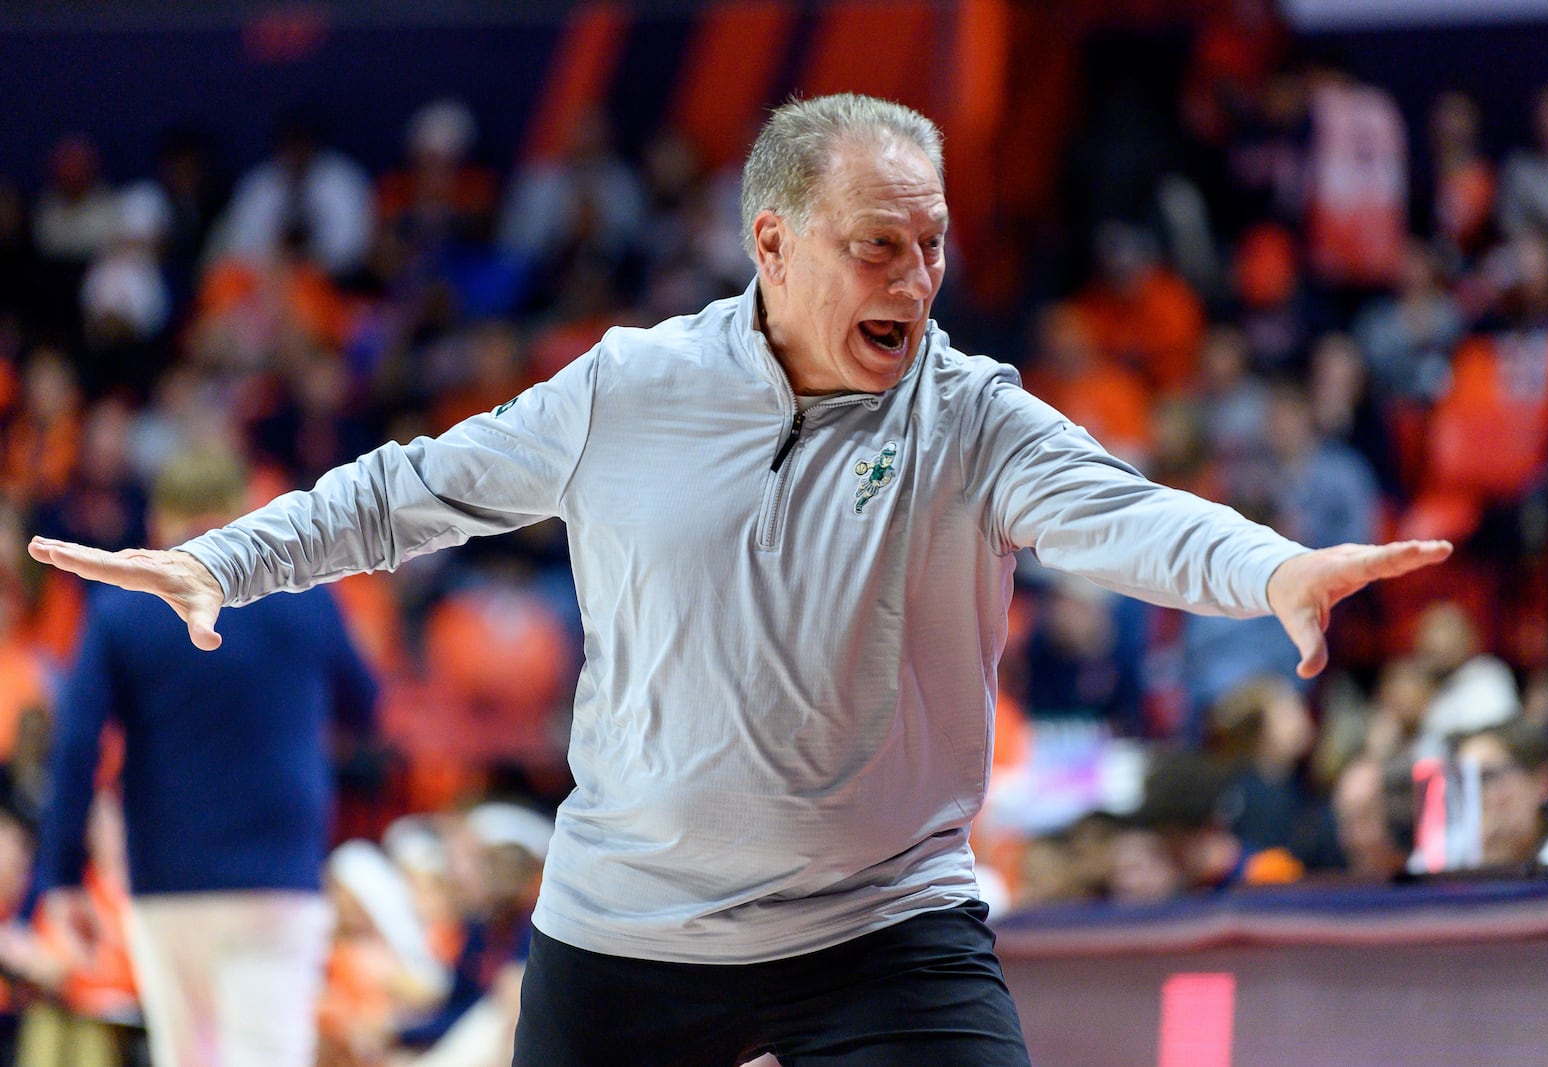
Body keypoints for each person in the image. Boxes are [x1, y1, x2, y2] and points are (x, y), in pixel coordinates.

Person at [29, 94, 1452, 1067]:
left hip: (884, 919)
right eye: (878, 243)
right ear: (773, 245)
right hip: (629, 926)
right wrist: (227, 554)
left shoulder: (972, 413)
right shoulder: (627, 386)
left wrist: (1275, 566)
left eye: (933, 240)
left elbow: (1123, 516)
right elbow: (409, 489)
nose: (919, 272)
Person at [33, 448, 377, 1067]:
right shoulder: (306, 599)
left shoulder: (121, 609)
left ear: (161, 521)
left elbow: (77, 744)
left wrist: (61, 876)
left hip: (169, 876)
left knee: (187, 1058)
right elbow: (367, 708)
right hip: (279, 872)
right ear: (245, 509)